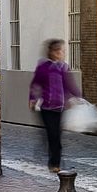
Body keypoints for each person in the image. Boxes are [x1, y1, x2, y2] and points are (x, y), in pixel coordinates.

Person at [29, 39, 80, 171]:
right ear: (52, 52)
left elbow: (69, 85)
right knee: (52, 134)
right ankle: (54, 163)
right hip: (46, 107)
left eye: (62, 51)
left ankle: (55, 161)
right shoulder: (43, 67)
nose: (61, 54)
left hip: (60, 107)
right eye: (59, 51)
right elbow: (36, 84)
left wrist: (77, 97)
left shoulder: (64, 67)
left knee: (57, 134)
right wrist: (32, 98)